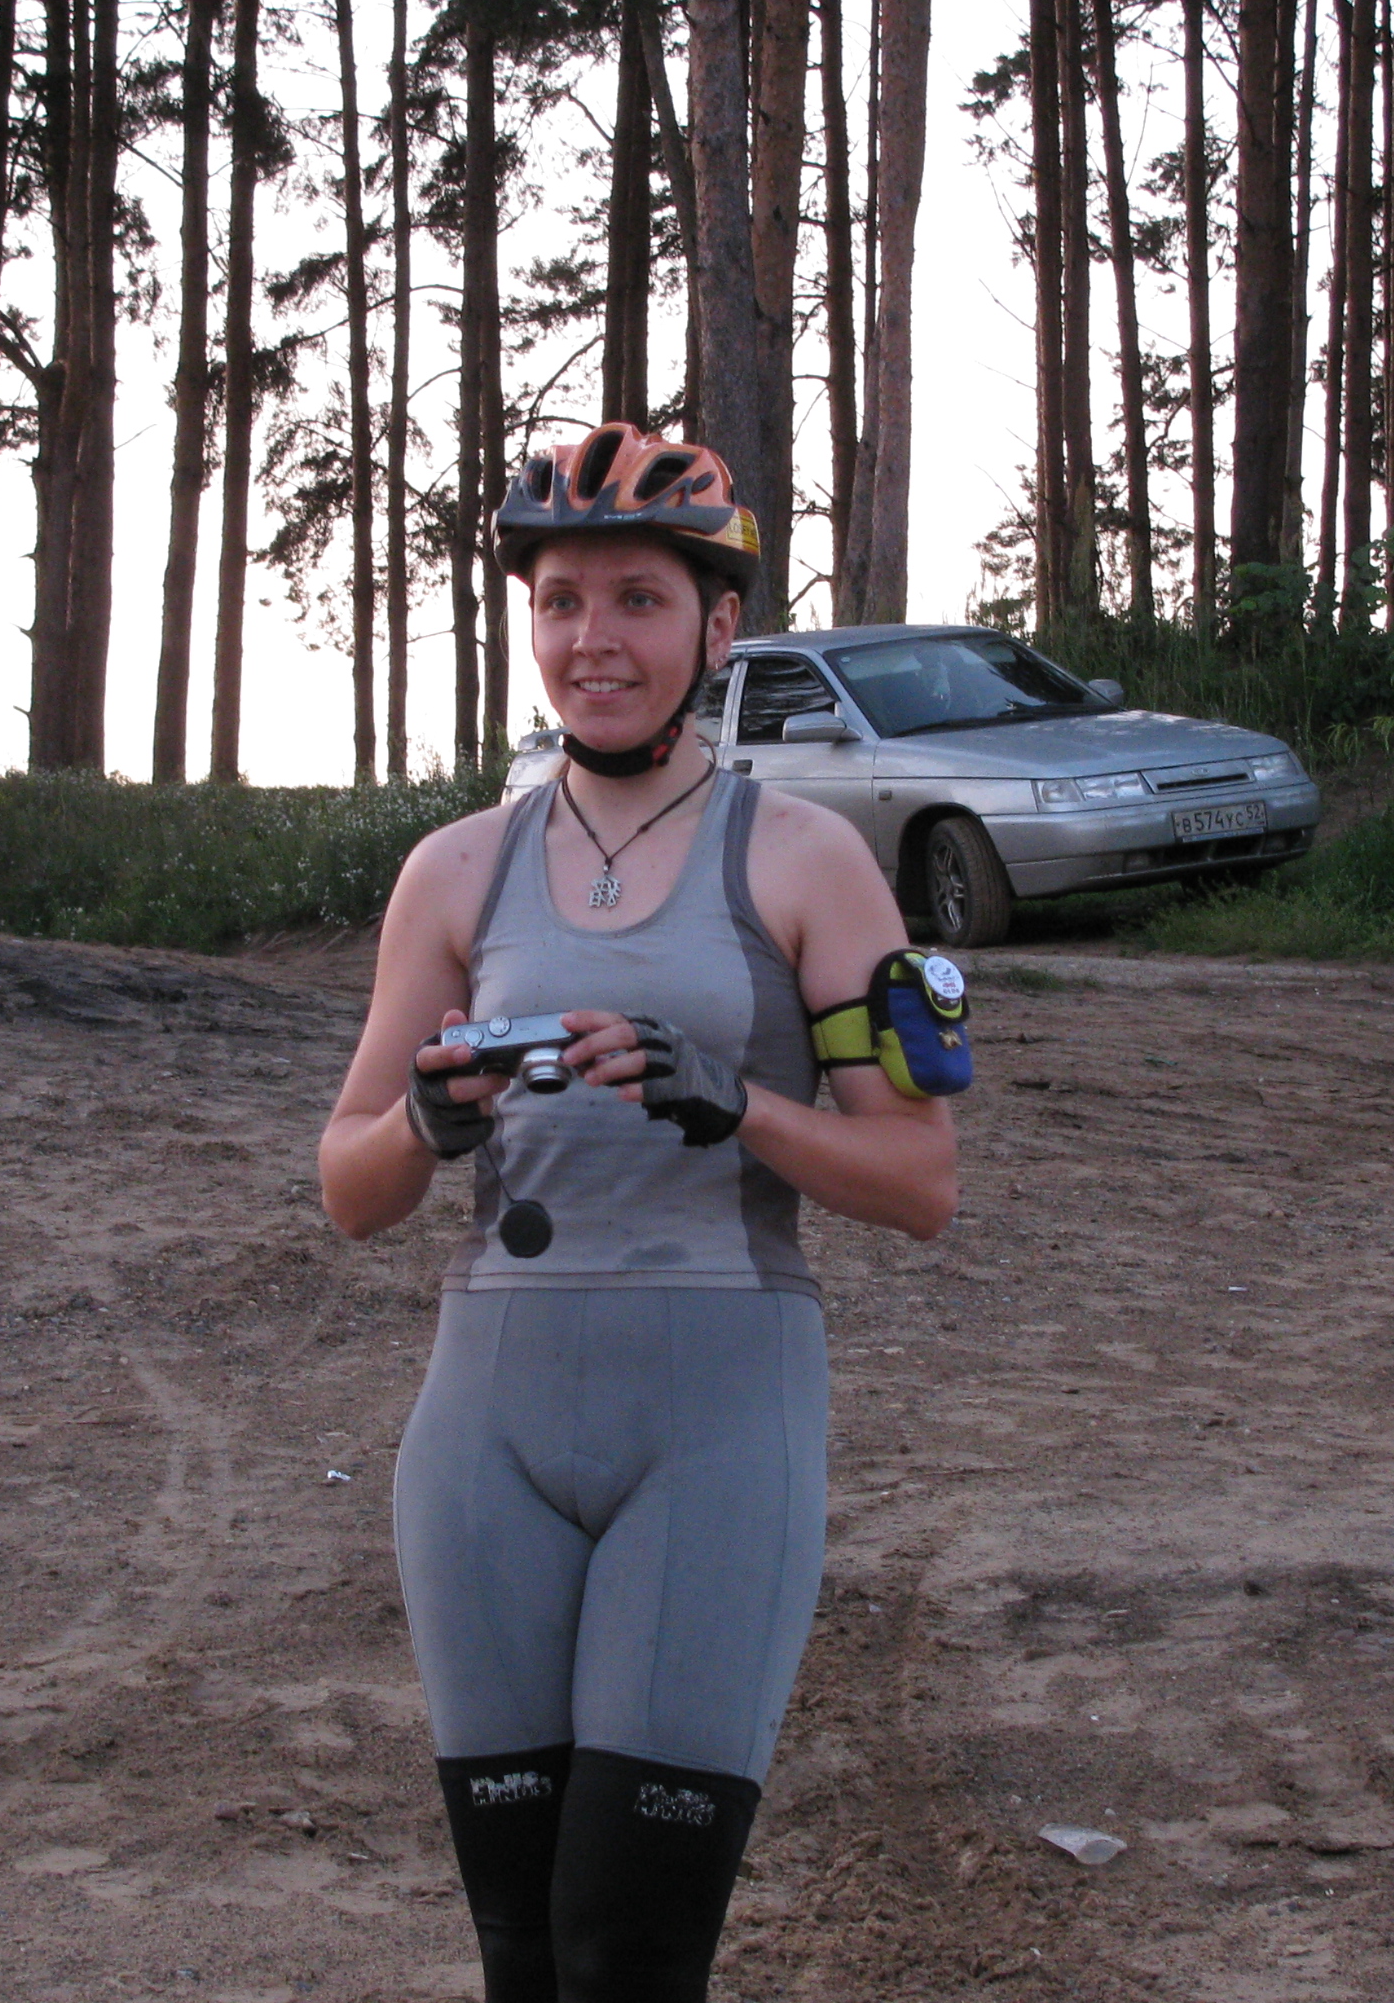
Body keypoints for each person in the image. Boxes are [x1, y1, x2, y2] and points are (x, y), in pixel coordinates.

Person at [318, 422, 962, 2001]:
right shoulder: (455, 870)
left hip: (718, 1420)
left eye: (639, 601)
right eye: (560, 602)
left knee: (627, 1953)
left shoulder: (808, 860)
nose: (593, 640)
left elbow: (920, 1183)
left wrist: (732, 1101)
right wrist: (429, 1121)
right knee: (522, 1952)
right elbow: (347, 1186)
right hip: (486, 1427)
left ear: (718, 627)